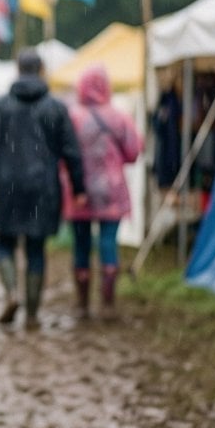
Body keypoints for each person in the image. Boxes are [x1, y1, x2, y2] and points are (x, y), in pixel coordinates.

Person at [0, 49, 85, 330]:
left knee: (4, 245)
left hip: (6, 186)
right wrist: (79, 186)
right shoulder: (56, 108)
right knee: (36, 249)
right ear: (42, 70)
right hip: (43, 187)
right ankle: (33, 314)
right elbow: (72, 151)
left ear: (18, 70)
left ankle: (11, 294)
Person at [62, 66, 142, 318]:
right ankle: (108, 303)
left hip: (80, 191)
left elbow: (63, 155)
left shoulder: (72, 117)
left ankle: (82, 303)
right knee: (108, 242)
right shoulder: (119, 117)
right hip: (111, 190)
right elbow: (134, 152)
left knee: (81, 245)